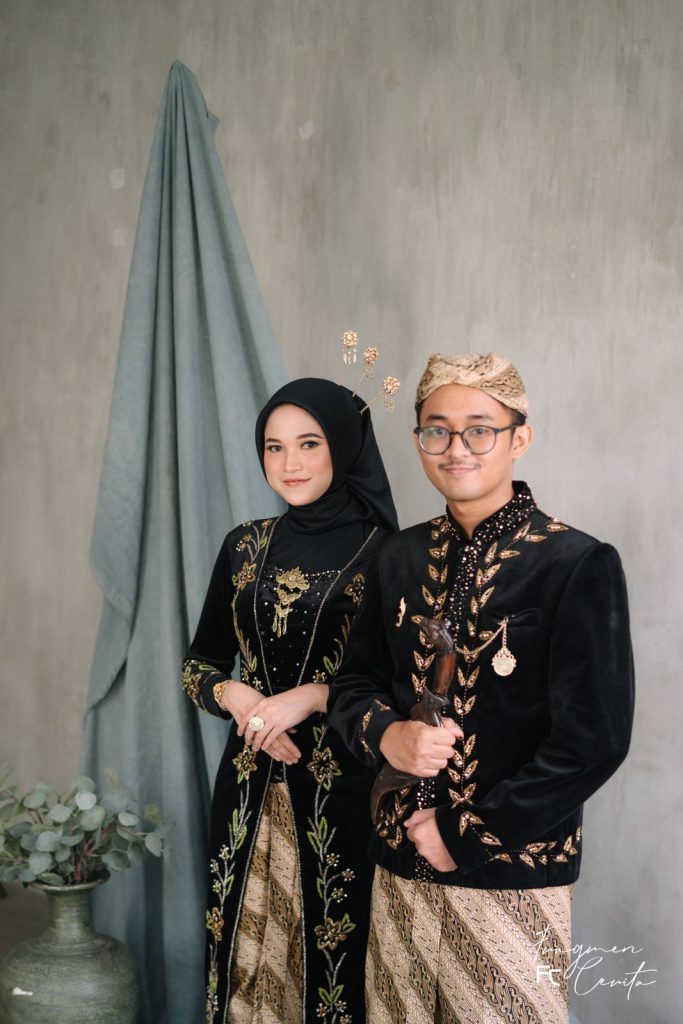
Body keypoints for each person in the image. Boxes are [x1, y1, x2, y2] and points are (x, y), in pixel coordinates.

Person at [328, 353, 635, 1024]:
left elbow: (595, 741)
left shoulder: (575, 562)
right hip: (398, 864)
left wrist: (465, 834)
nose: (456, 448)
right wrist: (387, 734)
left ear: (519, 437)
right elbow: (351, 682)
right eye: (436, 430)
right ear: (418, 440)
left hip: (513, 875)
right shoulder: (396, 557)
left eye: (479, 429)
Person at [182, 377, 398, 1024]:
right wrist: (235, 695)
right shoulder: (244, 546)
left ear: (345, 447)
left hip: (342, 789)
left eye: (309, 443)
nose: (289, 464)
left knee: (334, 963)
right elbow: (199, 665)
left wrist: (310, 697)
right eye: (273, 447)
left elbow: (401, 689)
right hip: (246, 783)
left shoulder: (389, 554)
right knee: (241, 955)